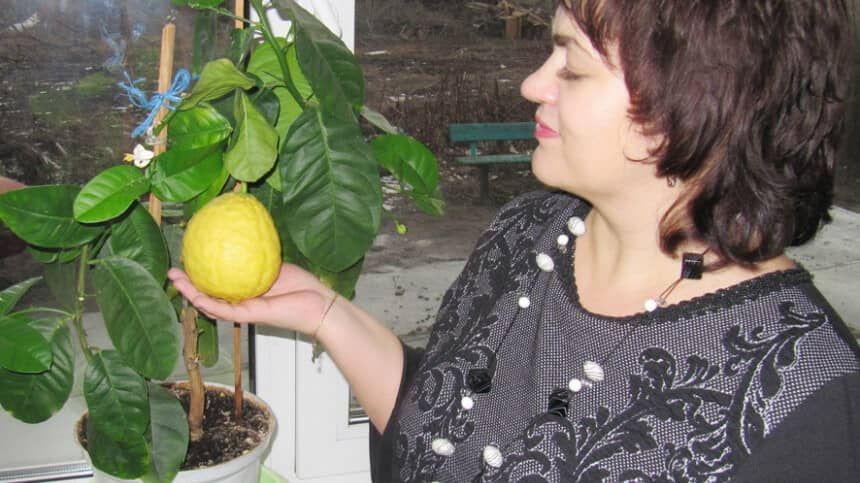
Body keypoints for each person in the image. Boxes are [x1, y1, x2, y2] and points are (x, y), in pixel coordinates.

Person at [169, 0, 860, 480]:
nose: (533, 84)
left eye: (573, 66)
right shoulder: (530, 232)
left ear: (697, 99)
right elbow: (442, 424)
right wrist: (327, 314)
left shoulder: (805, 404)